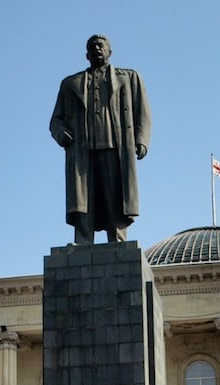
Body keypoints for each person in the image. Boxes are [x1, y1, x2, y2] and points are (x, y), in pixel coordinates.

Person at [49, 35, 151, 245]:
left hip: (116, 149)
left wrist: (141, 139)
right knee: (83, 200)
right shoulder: (70, 84)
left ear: (109, 52)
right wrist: (61, 134)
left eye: (101, 45)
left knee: (115, 197)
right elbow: (55, 120)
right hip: (82, 152)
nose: (96, 48)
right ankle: (83, 242)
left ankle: (118, 240)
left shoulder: (129, 77)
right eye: (92, 46)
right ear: (86, 55)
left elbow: (142, 112)